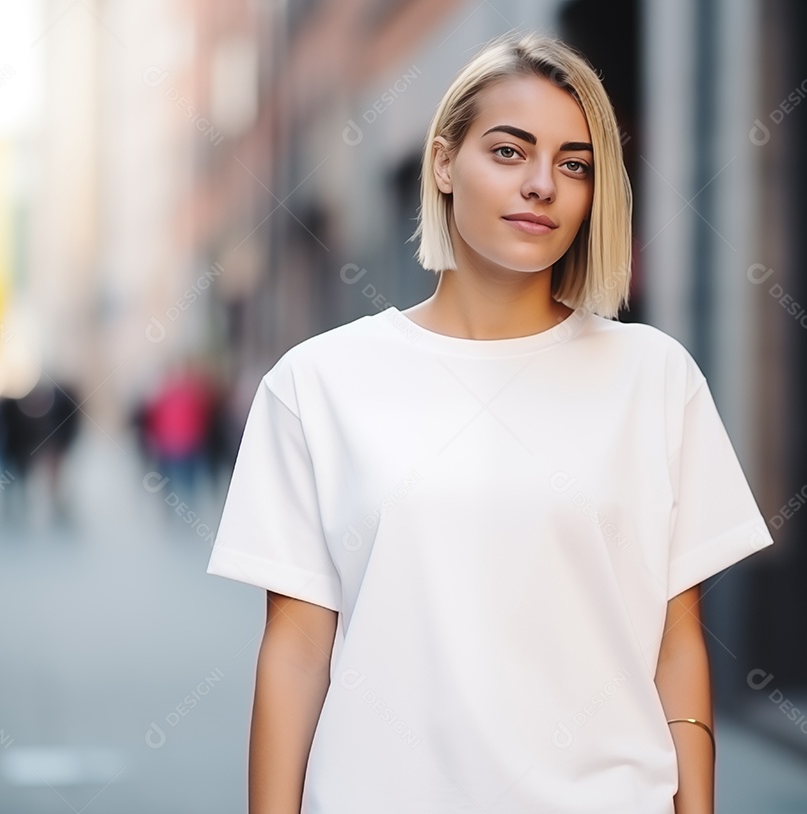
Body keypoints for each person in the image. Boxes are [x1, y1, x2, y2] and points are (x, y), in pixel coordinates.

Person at [206, 29, 775, 814]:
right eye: (509, 151)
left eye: (574, 164)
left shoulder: (655, 377)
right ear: (444, 162)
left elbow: (677, 643)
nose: (542, 183)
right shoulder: (318, 384)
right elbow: (297, 652)